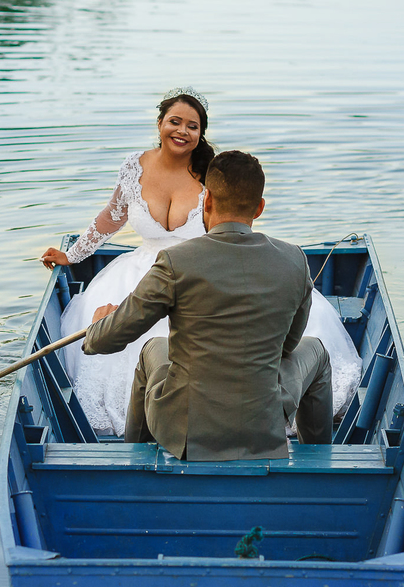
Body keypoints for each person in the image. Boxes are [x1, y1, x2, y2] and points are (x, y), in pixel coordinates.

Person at [41, 88, 360, 437]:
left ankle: (141, 446)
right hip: (150, 268)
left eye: (192, 126)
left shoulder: (215, 173)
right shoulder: (135, 166)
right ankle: (314, 455)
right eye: (174, 122)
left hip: (205, 268)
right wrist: (72, 255)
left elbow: (105, 338)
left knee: (149, 345)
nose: (182, 131)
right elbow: (112, 215)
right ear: (159, 123)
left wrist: (103, 326)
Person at [84, 150, 332, 459]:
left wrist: (96, 329)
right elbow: (288, 346)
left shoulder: (176, 261)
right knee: (318, 352)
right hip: (262, 423)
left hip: (187, 429)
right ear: (260, 208)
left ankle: (137, 460)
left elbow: (107, 339)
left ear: (207, 200)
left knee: (152, 348)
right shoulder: (295, 259)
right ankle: (320, 461)